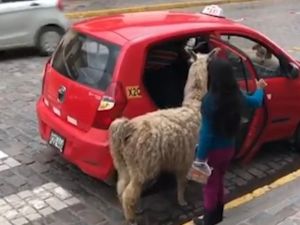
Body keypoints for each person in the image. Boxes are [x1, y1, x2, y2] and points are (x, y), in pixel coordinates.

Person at [191, 58, 268, 225]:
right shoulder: (237, 94)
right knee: (219, 180)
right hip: (229, 148)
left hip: (212, 151)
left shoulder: (209, 101)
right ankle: (218, 215)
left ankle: (209, 220)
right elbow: (255, 102)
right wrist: (260, 89)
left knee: (209, 185)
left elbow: (207, 133)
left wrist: (199, 159)